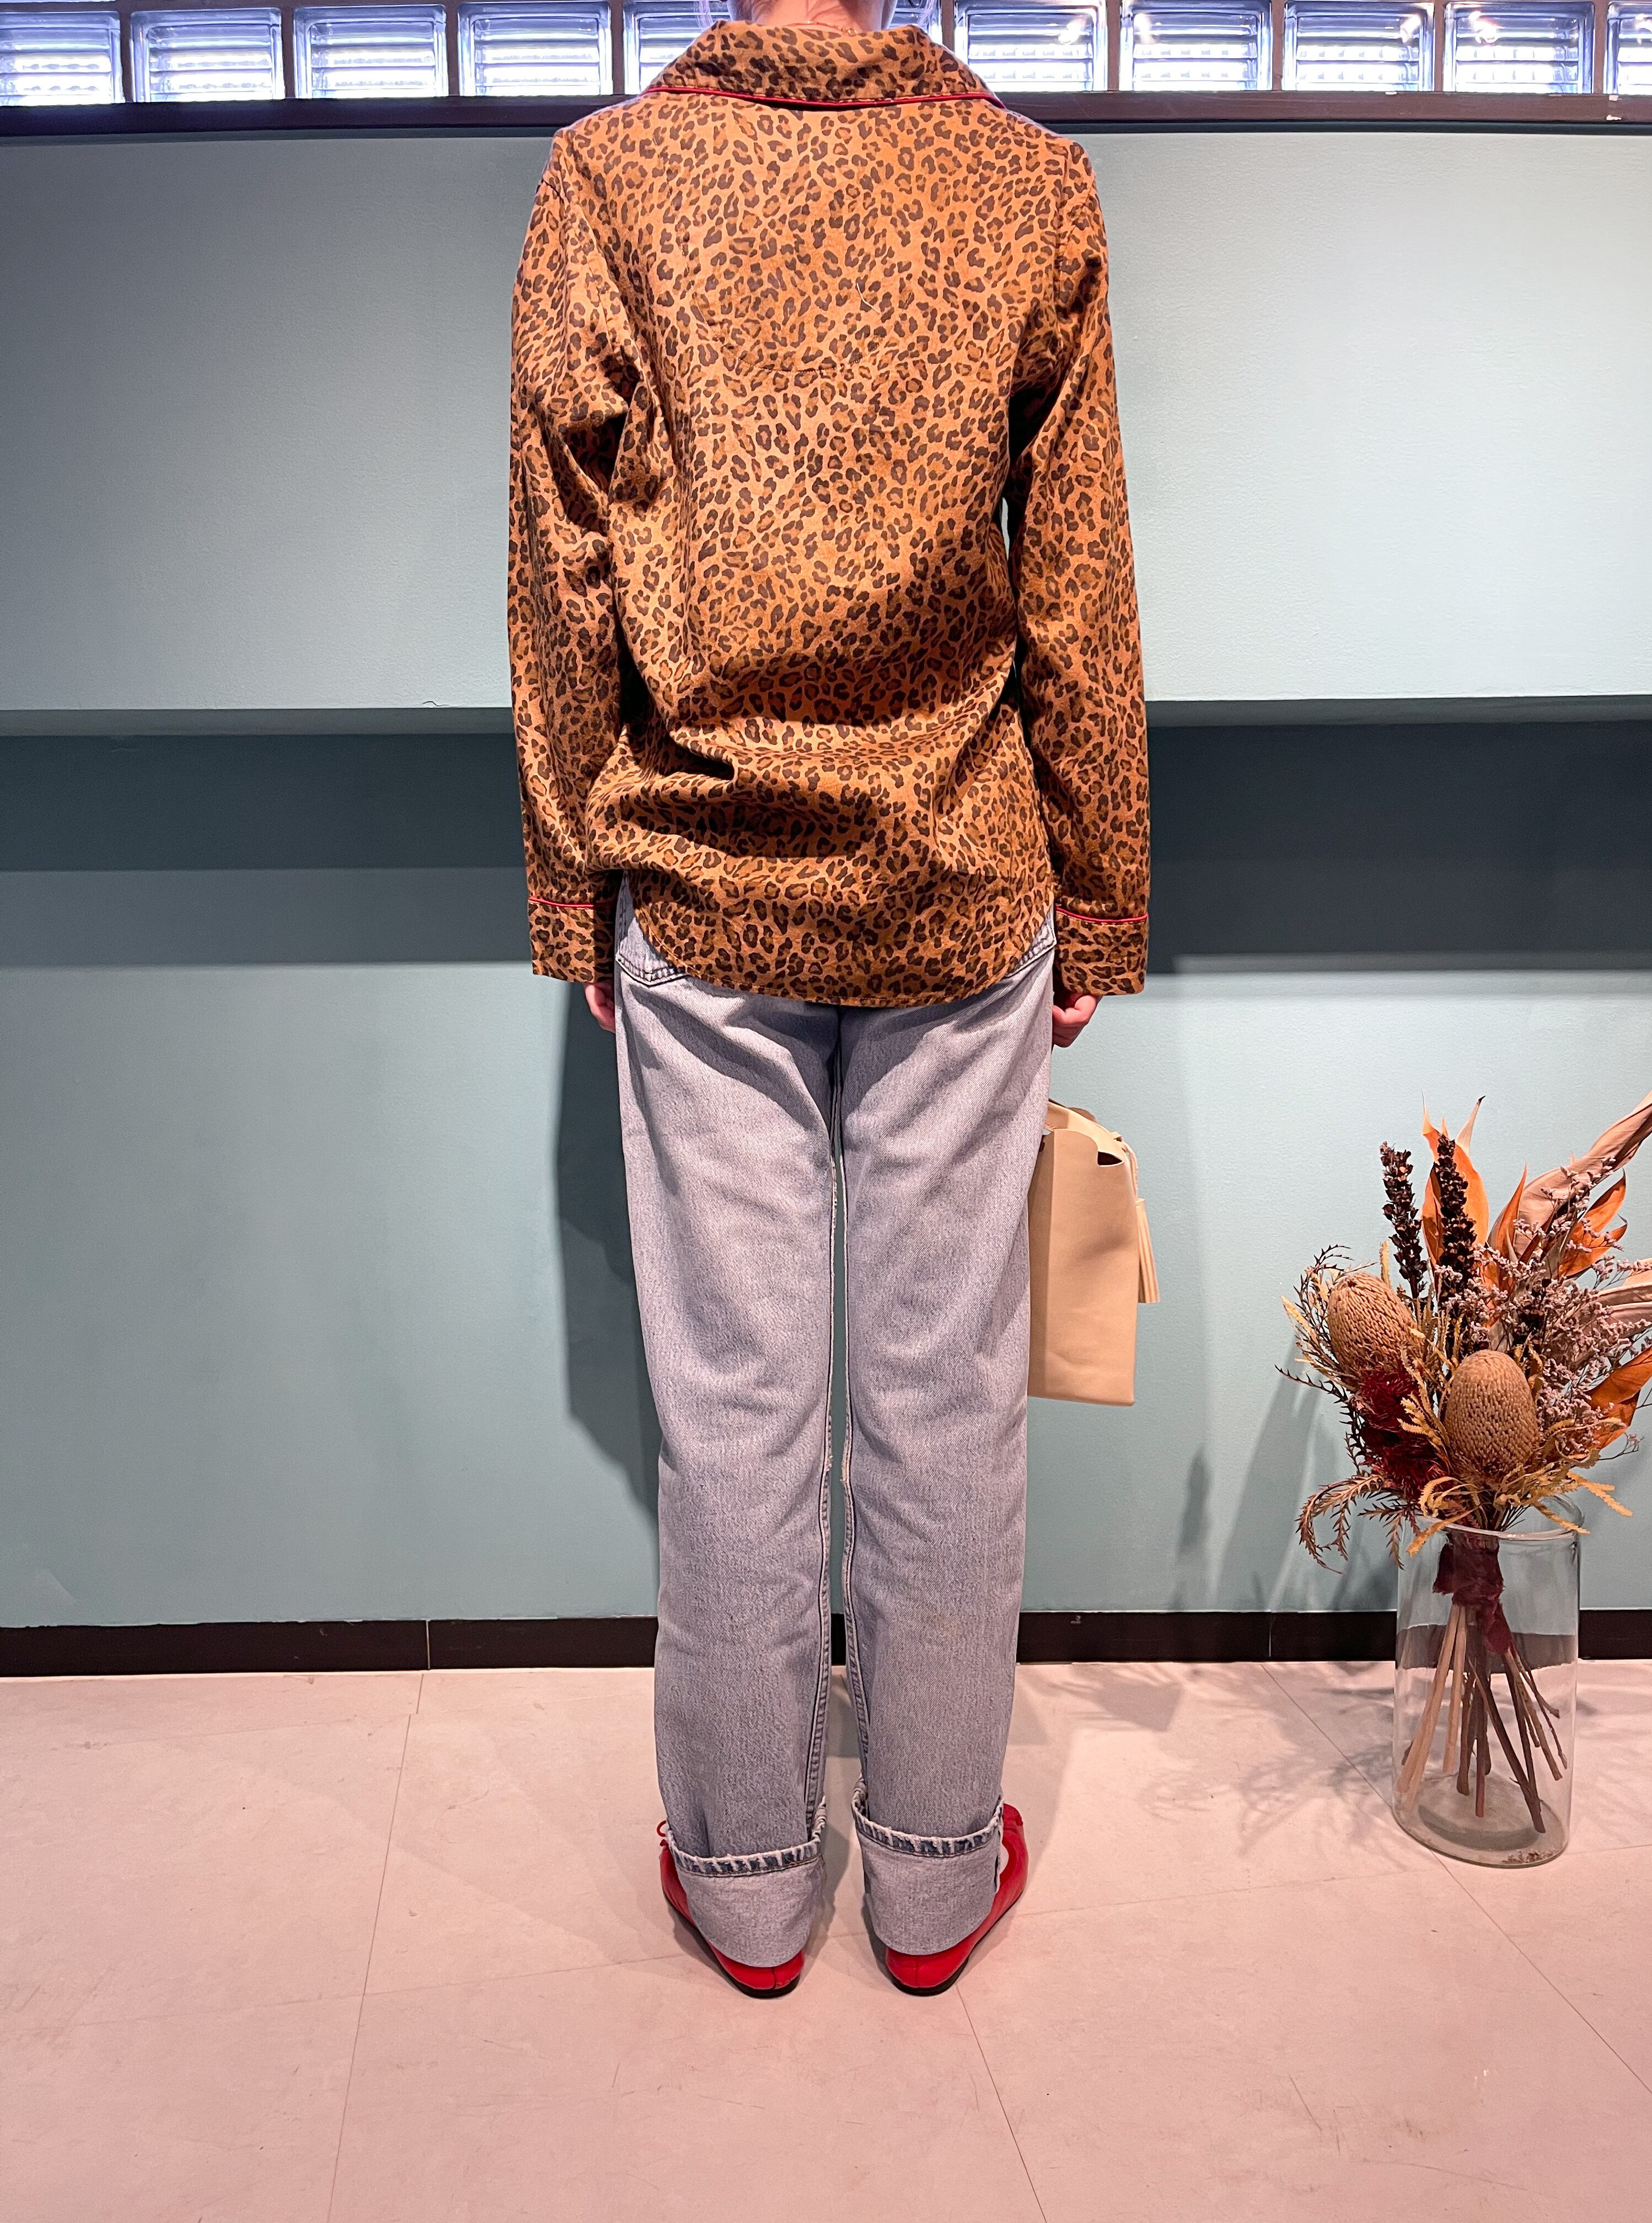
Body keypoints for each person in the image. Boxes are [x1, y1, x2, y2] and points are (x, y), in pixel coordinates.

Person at [508, 0, 1147, 1998]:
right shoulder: (1029, 184)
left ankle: (749, 1884)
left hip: (705, 892)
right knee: (947, 1401)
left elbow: (561, 566)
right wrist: (1102, 896)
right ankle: (936, 1886)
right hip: (963, 877)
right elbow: (1081, 582)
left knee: (734, 1410)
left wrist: (572, 881)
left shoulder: (612, 174)